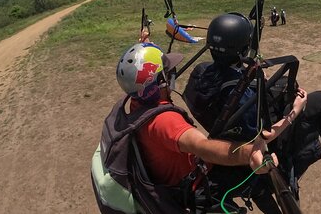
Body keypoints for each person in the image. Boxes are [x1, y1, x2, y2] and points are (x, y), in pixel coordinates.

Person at [184, 14, 321, 196]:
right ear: (242, 49)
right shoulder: (241, 98)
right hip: (248, 138)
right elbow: (263, 136)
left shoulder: (200, 72)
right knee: (320, 99)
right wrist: (295, 111)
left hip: (222, 127)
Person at [115, 41, 276, 212]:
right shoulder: (165, 121)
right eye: (168, 71)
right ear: (160, 82)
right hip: (195, 189)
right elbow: (202, 147)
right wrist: (250, 153)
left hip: (175, 177)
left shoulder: (137, 103)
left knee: (256, 184)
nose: (172, 74)